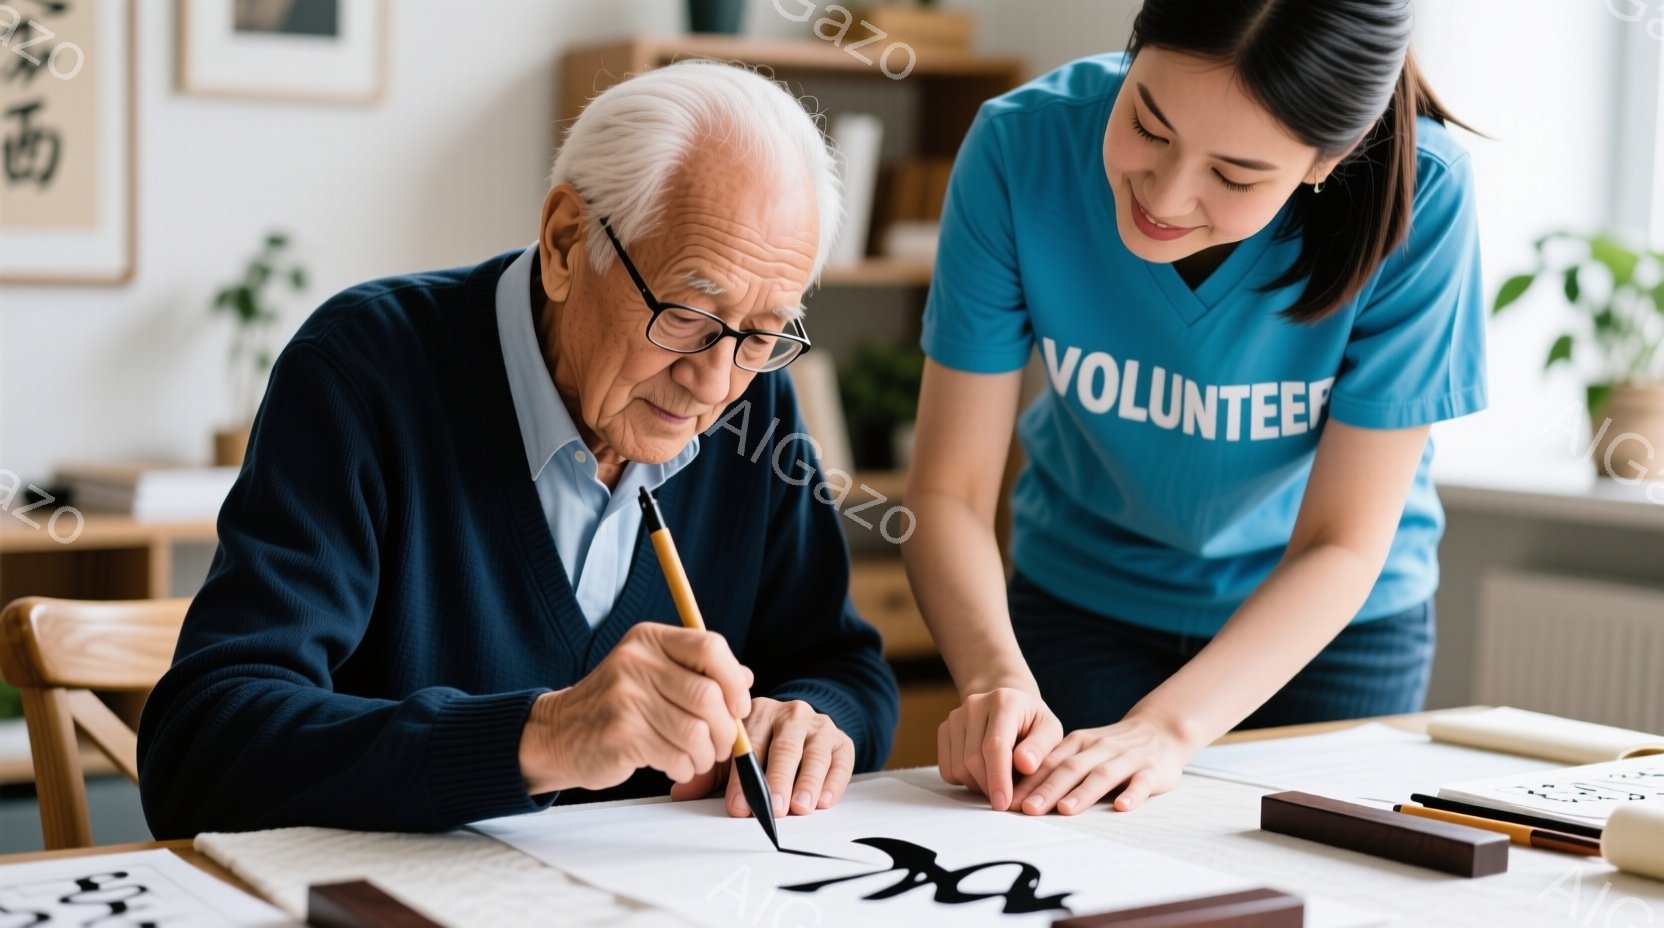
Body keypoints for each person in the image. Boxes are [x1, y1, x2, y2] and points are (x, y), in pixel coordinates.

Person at [139, 60, 898, 837]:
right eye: (685, 313)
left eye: (763, 333)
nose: (712, 381)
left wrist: (812, 722)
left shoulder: (753, 406)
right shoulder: (362, 373)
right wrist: (543, 736)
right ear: (568, 241)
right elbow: (204, 750)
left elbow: (848, 670)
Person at [906, 0, 1484, 818]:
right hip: (1084, 603)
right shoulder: (1020, 147)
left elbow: (1340, 542)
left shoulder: (1424, 197)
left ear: (1330, 158)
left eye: (1236, 176)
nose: (1166, 195)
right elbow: (950, 490)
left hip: (1324, 636)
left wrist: (1170, 727)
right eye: (1147, 123)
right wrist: (994, 678)